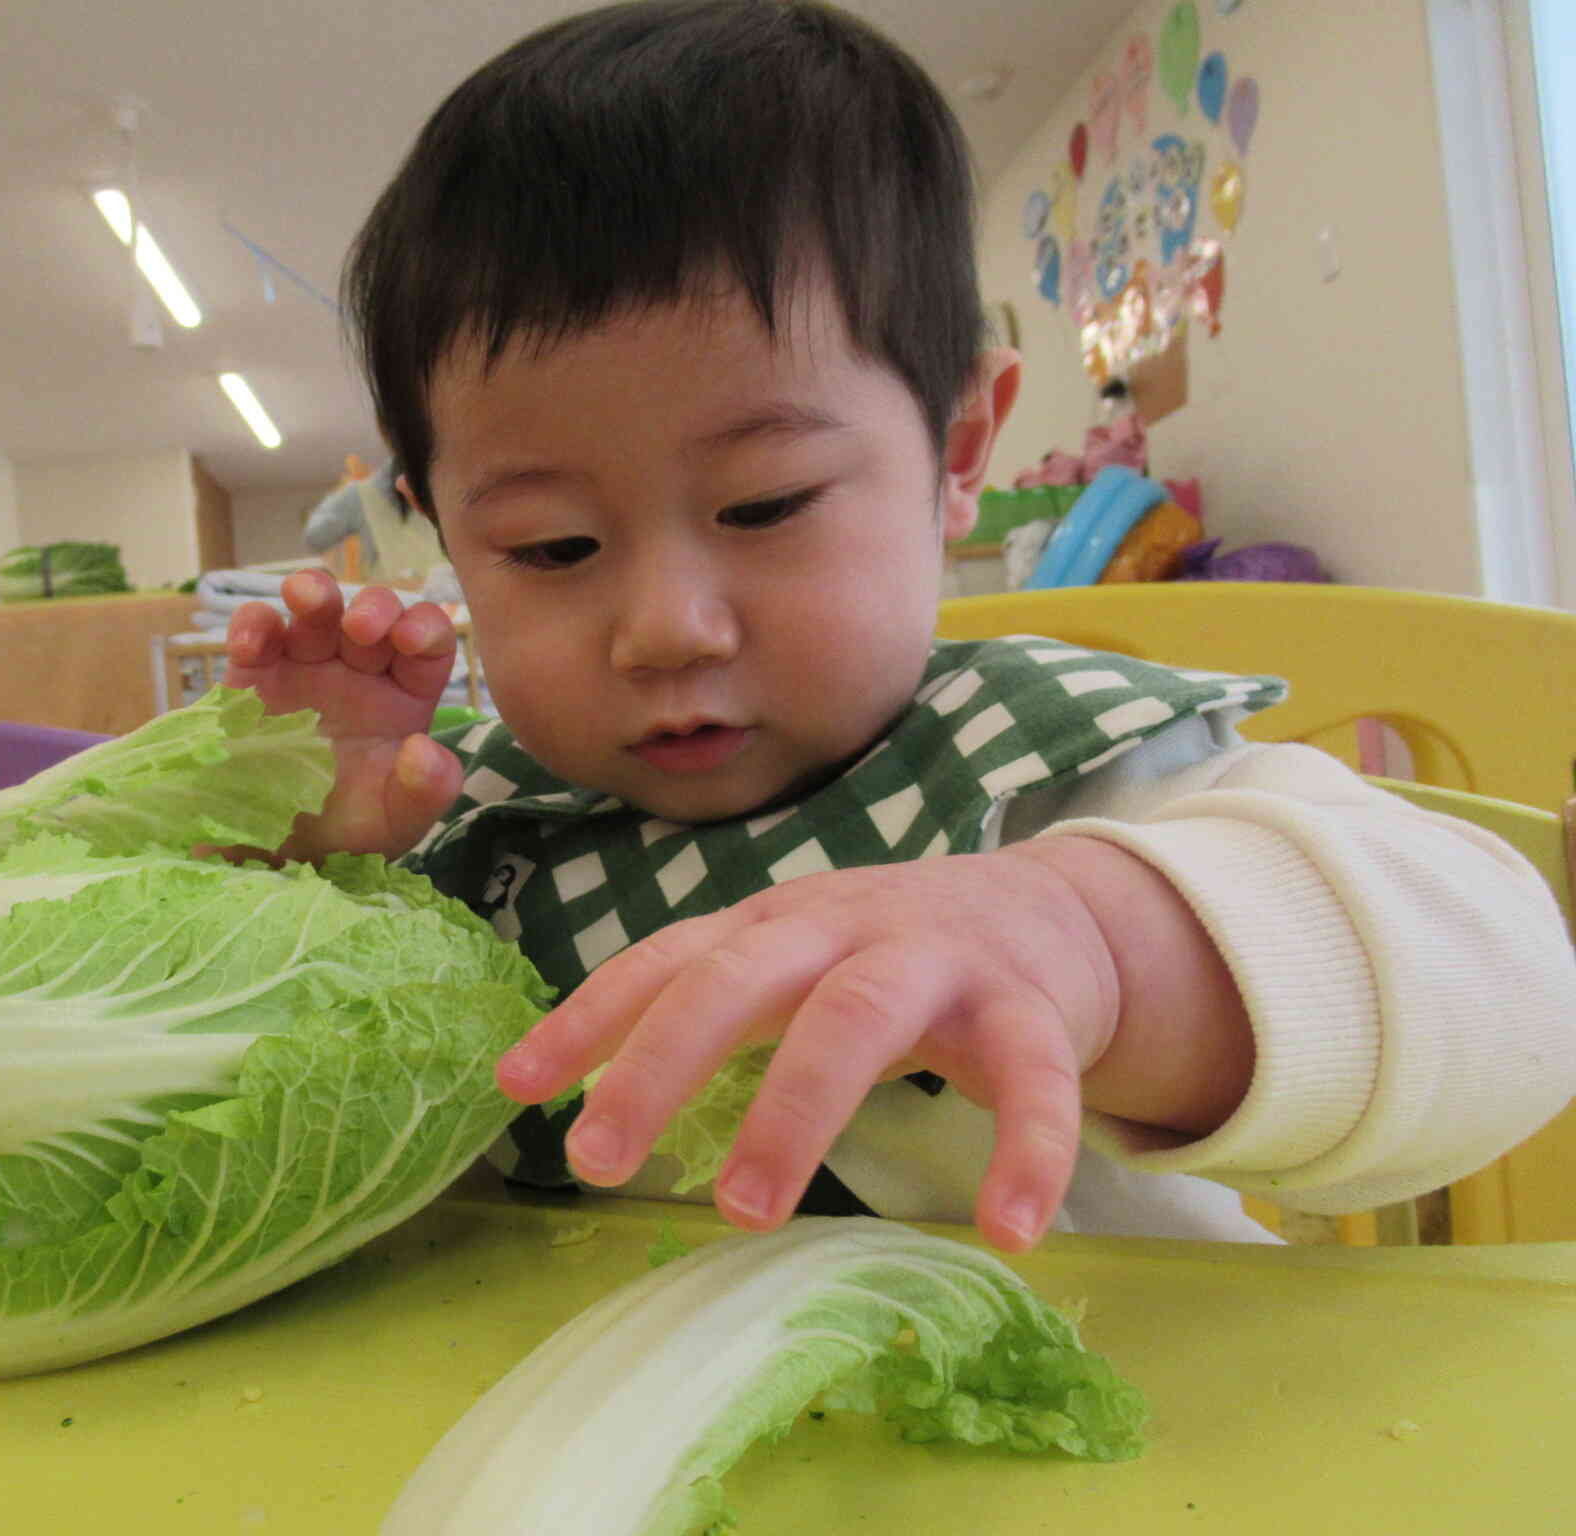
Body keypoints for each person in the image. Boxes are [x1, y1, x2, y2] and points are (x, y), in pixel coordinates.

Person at [224, 0, 1576, 1252]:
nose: (666, 629)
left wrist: (1098, 944)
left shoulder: (1058, 777)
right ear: (443, 532)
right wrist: (293, 873)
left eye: (764, 505)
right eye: (552, 548)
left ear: (959, 444)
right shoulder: (465, 839)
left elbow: (1510, 998)